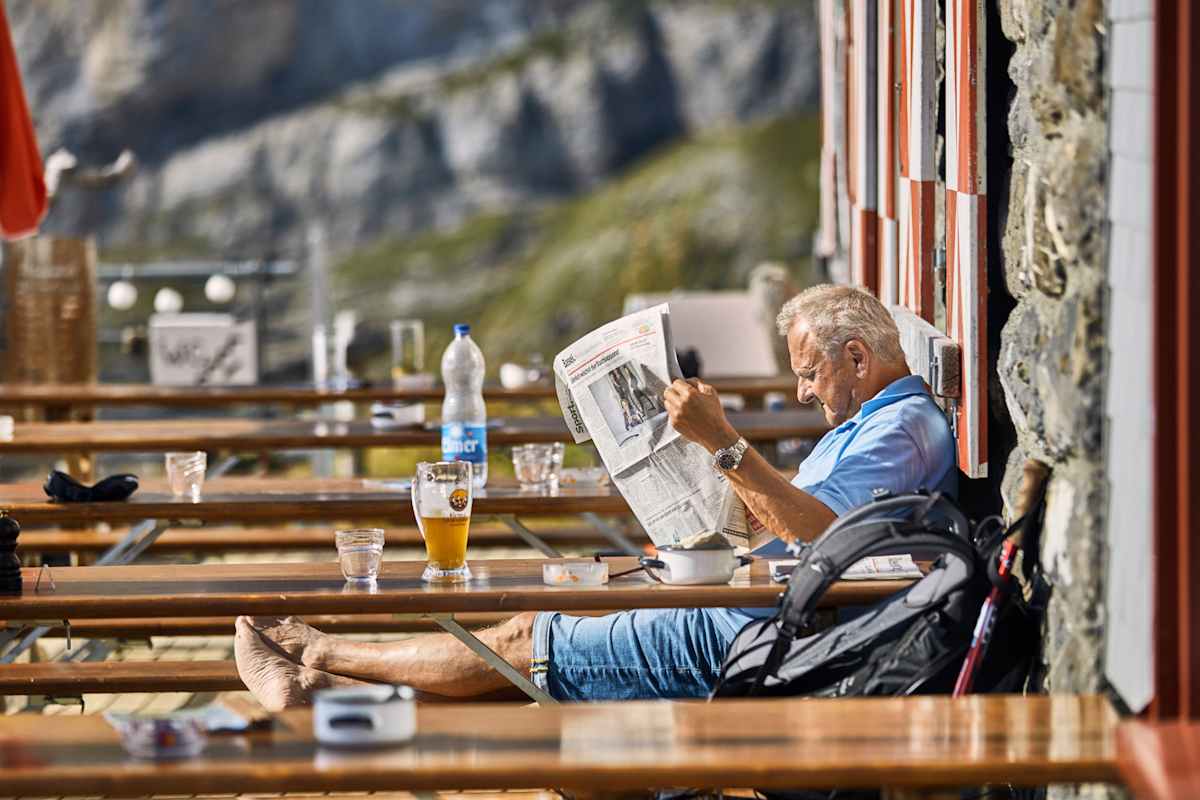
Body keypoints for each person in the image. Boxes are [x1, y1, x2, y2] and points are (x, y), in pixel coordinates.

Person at [234, 284, 957, 710]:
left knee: (529, 646)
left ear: (856, 359)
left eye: (809, 374)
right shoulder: (878, 423)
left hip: (754, 639)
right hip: (751, 606)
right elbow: (797, 523)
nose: (802, 391)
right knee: (550, 618)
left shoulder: (902, 429)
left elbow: (817, 532)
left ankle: (325, 657)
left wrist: (722, 444)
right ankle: (330, 692)